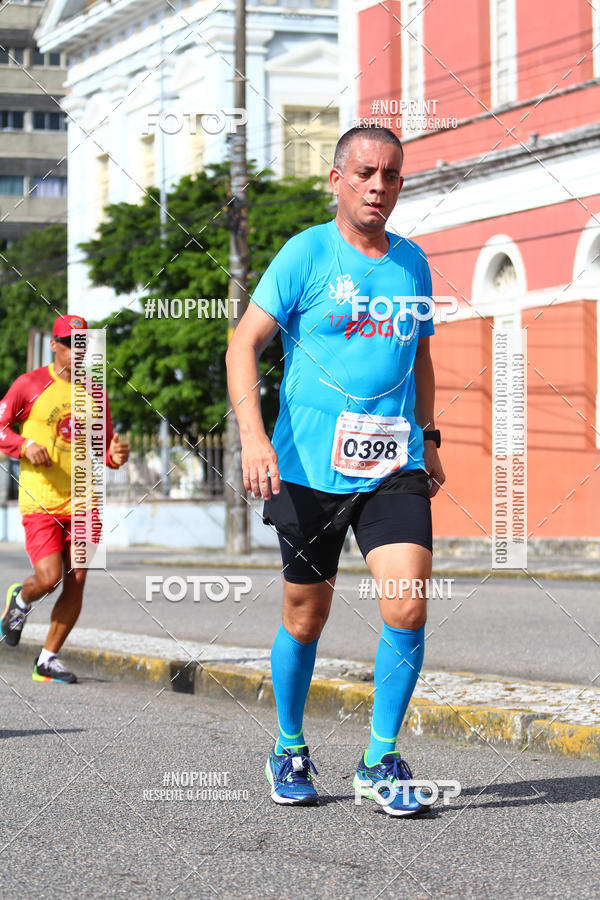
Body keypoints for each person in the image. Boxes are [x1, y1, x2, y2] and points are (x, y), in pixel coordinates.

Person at [226, 125, 445, 816]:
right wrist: (255, 440)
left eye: (391, 175)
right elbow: (243, 346)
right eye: (365, 173)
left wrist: (430, 436)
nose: (379, 186)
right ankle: (289, 745)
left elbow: (422, 356)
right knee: (306, 613)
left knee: (408, 600)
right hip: (308, 468)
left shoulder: (413, 264)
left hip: (394, 463)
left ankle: (380, 759)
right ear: (337, 179)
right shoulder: (304, 255)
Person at [0, 314, 129, 683]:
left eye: (85, 345)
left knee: (79, 579)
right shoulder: (29, 385)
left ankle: (47, 659)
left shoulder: (96, 392)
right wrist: (24, 445)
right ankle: (21, 600)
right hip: (41, 500)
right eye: (72, 344)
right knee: (49, 577)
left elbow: (104, 448)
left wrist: (116, 456)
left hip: (85, 501)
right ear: (55, 346)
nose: (79, 351)